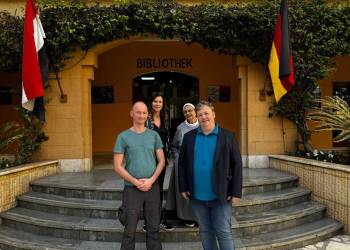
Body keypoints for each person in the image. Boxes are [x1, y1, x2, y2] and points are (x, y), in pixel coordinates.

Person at [178, 101, 243, 250]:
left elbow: (237, 165)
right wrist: (183, 186)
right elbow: (182, 164)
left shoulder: (227, 136)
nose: (203, 117)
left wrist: (236, 192)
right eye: (200, 114)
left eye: (206, 113)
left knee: (224, 232)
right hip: (197, 196)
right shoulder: (189, 137)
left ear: (213, 114)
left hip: (221, 195)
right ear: (197, 117)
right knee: (206, 231)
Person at [114, 101, 165, 250]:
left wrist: (151, 180)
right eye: (138, 112)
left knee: (154, 229)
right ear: (132, 113)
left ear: (147, 115)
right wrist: (136, 182)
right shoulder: (123, 137)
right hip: (132, 189)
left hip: (152, 187)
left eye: (144, 113)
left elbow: (162, 161)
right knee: (129, 230)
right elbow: (117, 166)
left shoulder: (154, 135)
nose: (141, 115)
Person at [166, 103, 198, 227]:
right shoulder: (180, 128)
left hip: (200, 164)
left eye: (190, 110)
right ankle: (187, 217)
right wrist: (178, 160)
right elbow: (174, 147)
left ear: (195, 111)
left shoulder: (203, 125)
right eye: (185, 112)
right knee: (185, 191)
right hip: (183, 164)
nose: (188, 113)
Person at [145, 94, 174, 231]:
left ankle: (161, 219)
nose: (158, 104)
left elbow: (167, 137)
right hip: (149, 159)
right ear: (151, 103)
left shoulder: (165, 118)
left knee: (159, 190)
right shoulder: (145, 118)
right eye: (155, 101)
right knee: (149, 190)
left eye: (160, 101)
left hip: (162, 160)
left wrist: (168, 155)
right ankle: (148, 221)